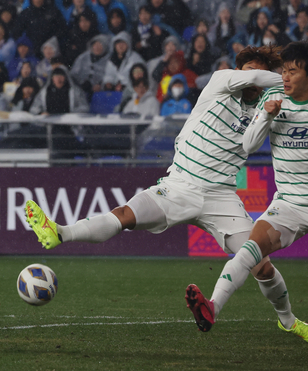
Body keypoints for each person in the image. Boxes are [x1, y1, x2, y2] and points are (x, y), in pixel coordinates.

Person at [24, 45, 305, 341]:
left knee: (261, 265)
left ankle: (288, 321)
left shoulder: (265, 105)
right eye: (250, 73)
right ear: (238, 72)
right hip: (178, 186)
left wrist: (281, 87)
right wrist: (275, 76)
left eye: (260, 75)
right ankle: (59, 232)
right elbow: (267, 79)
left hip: (221, 196)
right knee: (124, 216)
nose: (255, 80)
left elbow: (261, 130)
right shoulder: (221, 81)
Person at [185, 41, 308, 341]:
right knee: (250, 253)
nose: (286, 78)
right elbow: (249, 145)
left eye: (293, 72)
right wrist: (266, 115)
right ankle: (212, 306)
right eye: (284, 71)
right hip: (290, 205)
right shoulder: (274, 99)